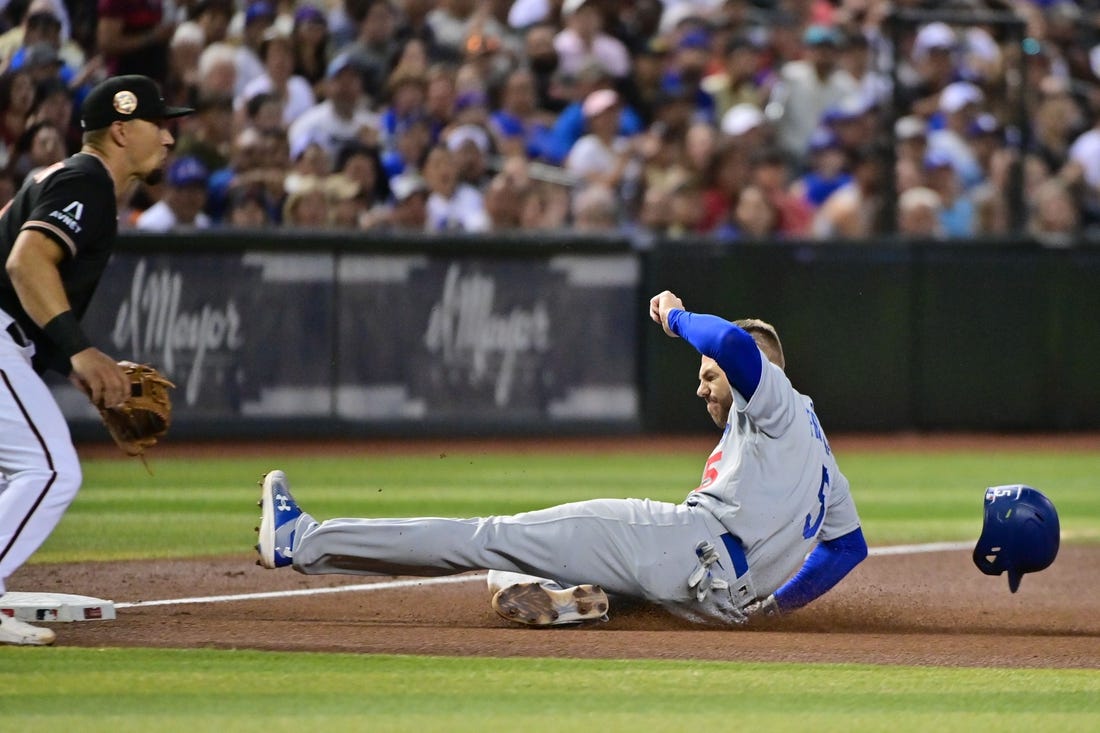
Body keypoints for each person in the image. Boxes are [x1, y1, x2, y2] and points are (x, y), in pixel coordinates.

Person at [254, 290, 868, 628]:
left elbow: (734, 343)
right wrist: (780, 604)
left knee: (491, 538)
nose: (702, 387)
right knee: (529, 565)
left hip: (687, 545)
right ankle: (573, 602)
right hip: (720, 601)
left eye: (711, 376)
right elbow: (848, 548)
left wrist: (677, 318)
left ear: (764, 373)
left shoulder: (777, 400)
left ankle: (302, 540)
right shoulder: (824, 461)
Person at [0, 74, 191, 645]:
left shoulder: (68, 178)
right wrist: (81, 352)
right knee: (50, 469)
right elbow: (26, 262)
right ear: (122, 128)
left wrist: (73, 364)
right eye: (160, 125)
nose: (169, 138)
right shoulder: (89, 182)